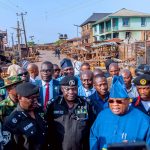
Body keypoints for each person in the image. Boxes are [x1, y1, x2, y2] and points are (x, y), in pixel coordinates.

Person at [90, 76, 150, 150]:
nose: (115, 104)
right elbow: (93, 138)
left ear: (128, 101)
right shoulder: (102, 116)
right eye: (111, 101)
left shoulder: (144, 120)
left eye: (119, 101)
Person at [45, 76, 94, 150]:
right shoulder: (53, 105)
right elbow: (48, 128)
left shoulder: (86, 104)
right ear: (62, 89)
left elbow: (92, 127)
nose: (71, 92)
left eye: (74, 89)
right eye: (67, 89)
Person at [3, 82, 48, 150]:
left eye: (36, 97)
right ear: (20, 98)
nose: (35, 101)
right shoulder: (12, 122)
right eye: (32, 98)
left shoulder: (39, 110)